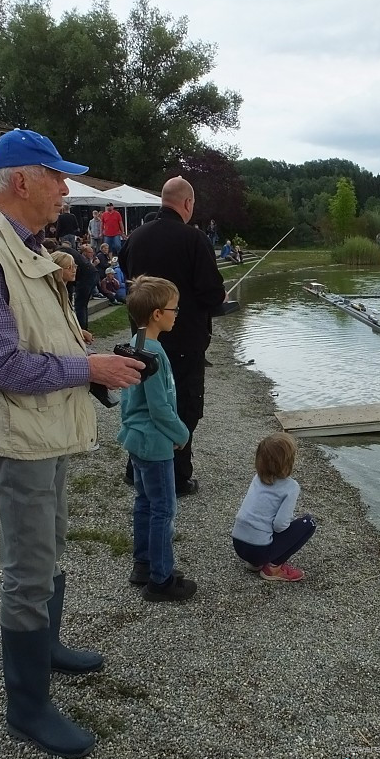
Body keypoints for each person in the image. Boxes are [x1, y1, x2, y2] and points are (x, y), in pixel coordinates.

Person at [0, 128, 143, 759]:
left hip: (45, 429)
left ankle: (47, 650)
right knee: (28, 569)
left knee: (51, 546)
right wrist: (89, 369)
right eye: (57, 177)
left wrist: (72, 339)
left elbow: (29, 335)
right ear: (24, 180)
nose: (66, 189)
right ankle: (26, 708)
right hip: (20, 436)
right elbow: (0, 364)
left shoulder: (20, 244)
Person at [119, 177, 226, 496]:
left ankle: (135, 468)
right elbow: (212, 293)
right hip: (184, 339)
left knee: (141, 402)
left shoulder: (135, 236)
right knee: (183, 404)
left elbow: (128, 276)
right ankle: (177, 475)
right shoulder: (194, 239)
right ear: (188, 204)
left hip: (141, 338)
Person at [118, 276, 196, 602]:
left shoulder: (134, 342)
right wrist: (182, 434)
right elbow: (159, 406)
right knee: (164, 508)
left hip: (136, 439)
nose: (177, 314)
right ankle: (161, 580)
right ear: (156, 314)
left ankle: (144, 563)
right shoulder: (154, 354)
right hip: (154, 443)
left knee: (145, 503)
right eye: (174, 309)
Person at [231, 433, 316, 582]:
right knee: (308, 523)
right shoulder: (291, 487)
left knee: (264, 525)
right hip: (258, 549)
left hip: (238, 544)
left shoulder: (257, 478)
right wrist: (291, 524)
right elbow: (279, 525)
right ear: (288, 462)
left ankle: (255, 564)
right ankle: (273, 567)